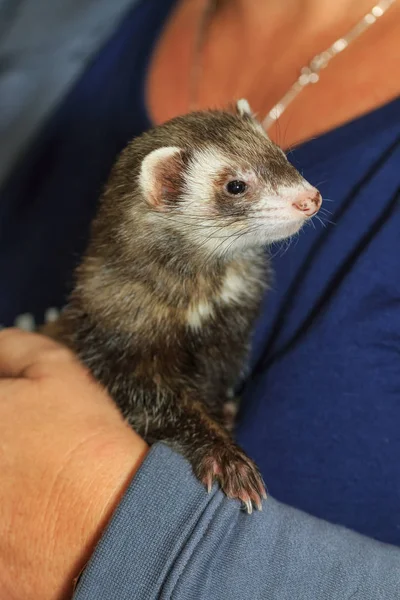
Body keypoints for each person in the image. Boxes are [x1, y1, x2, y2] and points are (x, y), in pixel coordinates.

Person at [0, 0, 399, 596]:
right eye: (237, 188)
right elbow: (140, 381)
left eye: (280, 163)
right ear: (165, 189)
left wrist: (136, 543)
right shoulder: (47, 23)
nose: (307, 195)